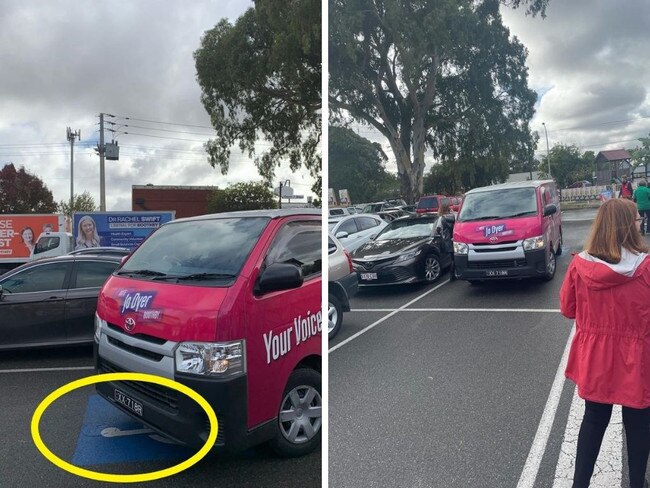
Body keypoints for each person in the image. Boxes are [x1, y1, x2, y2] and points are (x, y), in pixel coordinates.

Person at [559, 198, 650, 488]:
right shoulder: (646, 269)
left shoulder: (579, 266)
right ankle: (637, 482)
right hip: (637, 360)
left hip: (596, 358)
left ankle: (580, 484)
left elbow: (567, 309)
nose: (640, 223)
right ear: (628, 226)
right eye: (637, 219)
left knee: (594, 418)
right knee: (638, 421)